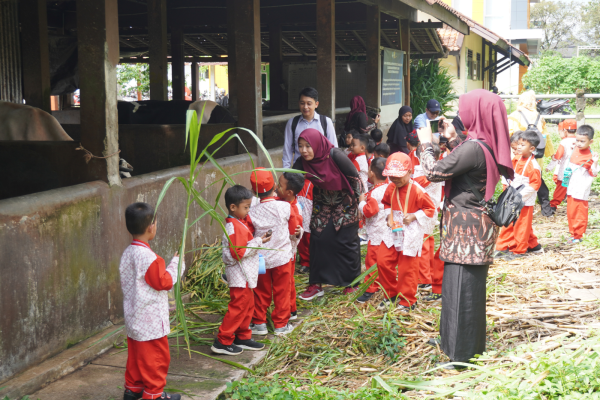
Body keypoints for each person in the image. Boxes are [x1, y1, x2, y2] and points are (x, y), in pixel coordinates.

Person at [418, 89, 514, 369]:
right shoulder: (482, 143)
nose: (460, 114)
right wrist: (452, 137)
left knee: (463, 291)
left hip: (467, 232)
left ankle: (462, 355)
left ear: (478, 112)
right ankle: (451, 341)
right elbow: (467, 153)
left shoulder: (473, 148)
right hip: (471, 229)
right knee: (456, 287)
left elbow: (434, 172)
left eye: (464, 109)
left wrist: (426, 144)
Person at [120, 202, 185, 400]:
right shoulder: (150, 258)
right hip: (151, 321)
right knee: (157, 358)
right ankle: (154, 394)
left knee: (136, 357)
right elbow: (164, 282)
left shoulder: (128, 253)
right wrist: (177, 264)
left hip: (134, 318)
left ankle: (133, 389)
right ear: (151, 227)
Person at [293, 129, 363, 300]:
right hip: (322, 203)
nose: (304, 151)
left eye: (308, 146)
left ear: (317, 144)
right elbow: (291, 179)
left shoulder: (334, 155)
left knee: (346, 241)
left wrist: (360, 204)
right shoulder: (302, 162)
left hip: (345, 202)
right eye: (300, 146)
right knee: (318, 240)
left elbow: (355, 177)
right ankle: (316, 285)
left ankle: (351, 283)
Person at [212, 186, 270, 356]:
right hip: (239, 275)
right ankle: (223, 340)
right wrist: (258, 241)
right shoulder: (234, 226)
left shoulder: (238, 222)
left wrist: (259, 240)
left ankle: (243, 336)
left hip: (245, 274)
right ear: (233, 207)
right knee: (238, 307)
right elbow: (238, 252)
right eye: (246, 207)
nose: (248, 210)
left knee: (247, 305)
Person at [378, 153, 436, 312]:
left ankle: (407, 301)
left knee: (407, 267)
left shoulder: (418, 191)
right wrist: (388, 216)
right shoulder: (391, 187)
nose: (395, 180)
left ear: (410, 172)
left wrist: (414, 216)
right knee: (383, 260)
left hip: (410, 231)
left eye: (399, 176)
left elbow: (431, 210)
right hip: (394, 229)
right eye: (391, 177)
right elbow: (385, 203)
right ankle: (389, 295)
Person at [248, 168, 299, 336]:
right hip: (282, 258)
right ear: (275, 186)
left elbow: (249, 234)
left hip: (261, 259)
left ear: (253, 191)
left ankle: (259, 323)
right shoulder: (284, 206)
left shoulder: (251, 211)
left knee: (260, 291)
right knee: (282, 291)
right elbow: (293, 230)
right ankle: (280, 325)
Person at [495, 130, 543, 260]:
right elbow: (508, 173)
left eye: (522, 145)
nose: (518, 147)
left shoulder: (533, 166)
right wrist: (506, 186)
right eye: (519, 144)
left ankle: (519, 250)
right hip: (512, 198)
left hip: (524, 201)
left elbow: (534, 185)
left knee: (521, 225)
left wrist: (519, 196)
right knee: (508, 222)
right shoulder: (516, 159)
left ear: (532, 148)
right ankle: (502, 247)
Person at [508, 90, 555, 217]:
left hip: (518, 155)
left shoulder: (514, 116)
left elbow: (508, 135)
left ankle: (514, 207)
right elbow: (546, 136)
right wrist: (551, 154)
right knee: (536, 180)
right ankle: (545, 209)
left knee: (517, 180)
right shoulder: (539, 116)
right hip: (535, 154)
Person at [356, 158, 393, 303]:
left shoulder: (374, 193)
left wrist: (361, 203)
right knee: (386, 261)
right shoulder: (390, 187)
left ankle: (371, 288)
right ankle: (384, 284)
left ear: (371, 172)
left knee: (372, 261)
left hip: (377, 234)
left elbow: (369, 211)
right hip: (388, 231)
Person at [275, 172, 306, 320]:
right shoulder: (281, 201)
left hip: (287, 251)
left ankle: (288, 310)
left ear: (289, 192)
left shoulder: (295, 209)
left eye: (280, 185)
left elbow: (295, 233)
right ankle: (291, 308)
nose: (276, 186)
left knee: (287, 282)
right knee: (288, 281)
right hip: (282, 251)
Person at [282, 87, 338, 168]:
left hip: (321, 170)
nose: (305, 107)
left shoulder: (325, 122)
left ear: (316, 104)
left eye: (309, 103)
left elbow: (334, 149)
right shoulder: (292, 123)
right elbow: (287, 150)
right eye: (302, 103)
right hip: (299, 169)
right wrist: (286, 172)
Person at [413, 144, 443, 291]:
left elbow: (414, 184)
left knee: (423, 244)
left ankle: (424, 278)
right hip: (432, 210)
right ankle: (429, 273)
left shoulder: (425, 172)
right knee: (428, 241)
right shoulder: (438, 168)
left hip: (424, 211)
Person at [565, 125, 599, 243]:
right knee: (570, 210)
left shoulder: (591, 156)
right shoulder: (574, 149)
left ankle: (578, 235)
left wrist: (595, 163)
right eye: (577, 140)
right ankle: (572, 233)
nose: (578, 143)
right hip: (571, 186)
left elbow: (593, 173)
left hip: (581, 188)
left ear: (591, 141)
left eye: (582, 141)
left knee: (579, 211)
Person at [548, 119, 577, 212]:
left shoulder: (564, 142)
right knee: (574, 186)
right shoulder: (579, 140)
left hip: (565, 168)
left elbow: (558, 156)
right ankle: (573, 205)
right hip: (576, 168)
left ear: (564, 130)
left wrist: (549, 167)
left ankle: (553, 205)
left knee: (561, 188)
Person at [296, 179, 313, 275]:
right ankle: (305, 262)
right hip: (299, 216)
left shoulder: (313, 183)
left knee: (309, 240)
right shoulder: (298, 182)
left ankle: (313, 261)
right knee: (301, 241)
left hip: (310, 216)